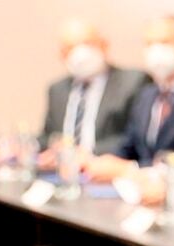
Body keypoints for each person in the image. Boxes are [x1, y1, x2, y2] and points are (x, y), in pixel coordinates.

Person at [83, 16, 174, 182]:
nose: (156, 50)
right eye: (149, 44)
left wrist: (131, 168)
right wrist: (104, 161)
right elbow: (130, 145)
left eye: (165, 42)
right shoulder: (147, 94)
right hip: (140, 191)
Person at [41, 19, 147, 160]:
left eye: (87, 43)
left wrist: (84, 152)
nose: (80, 53)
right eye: (70, 47)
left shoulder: (133, 81)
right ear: (62, 54)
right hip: (62, 168)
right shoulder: (57, 89)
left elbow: (136, 138)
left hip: (106, 165)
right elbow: (48, 136)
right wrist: (52, 147)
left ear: (104, 45)